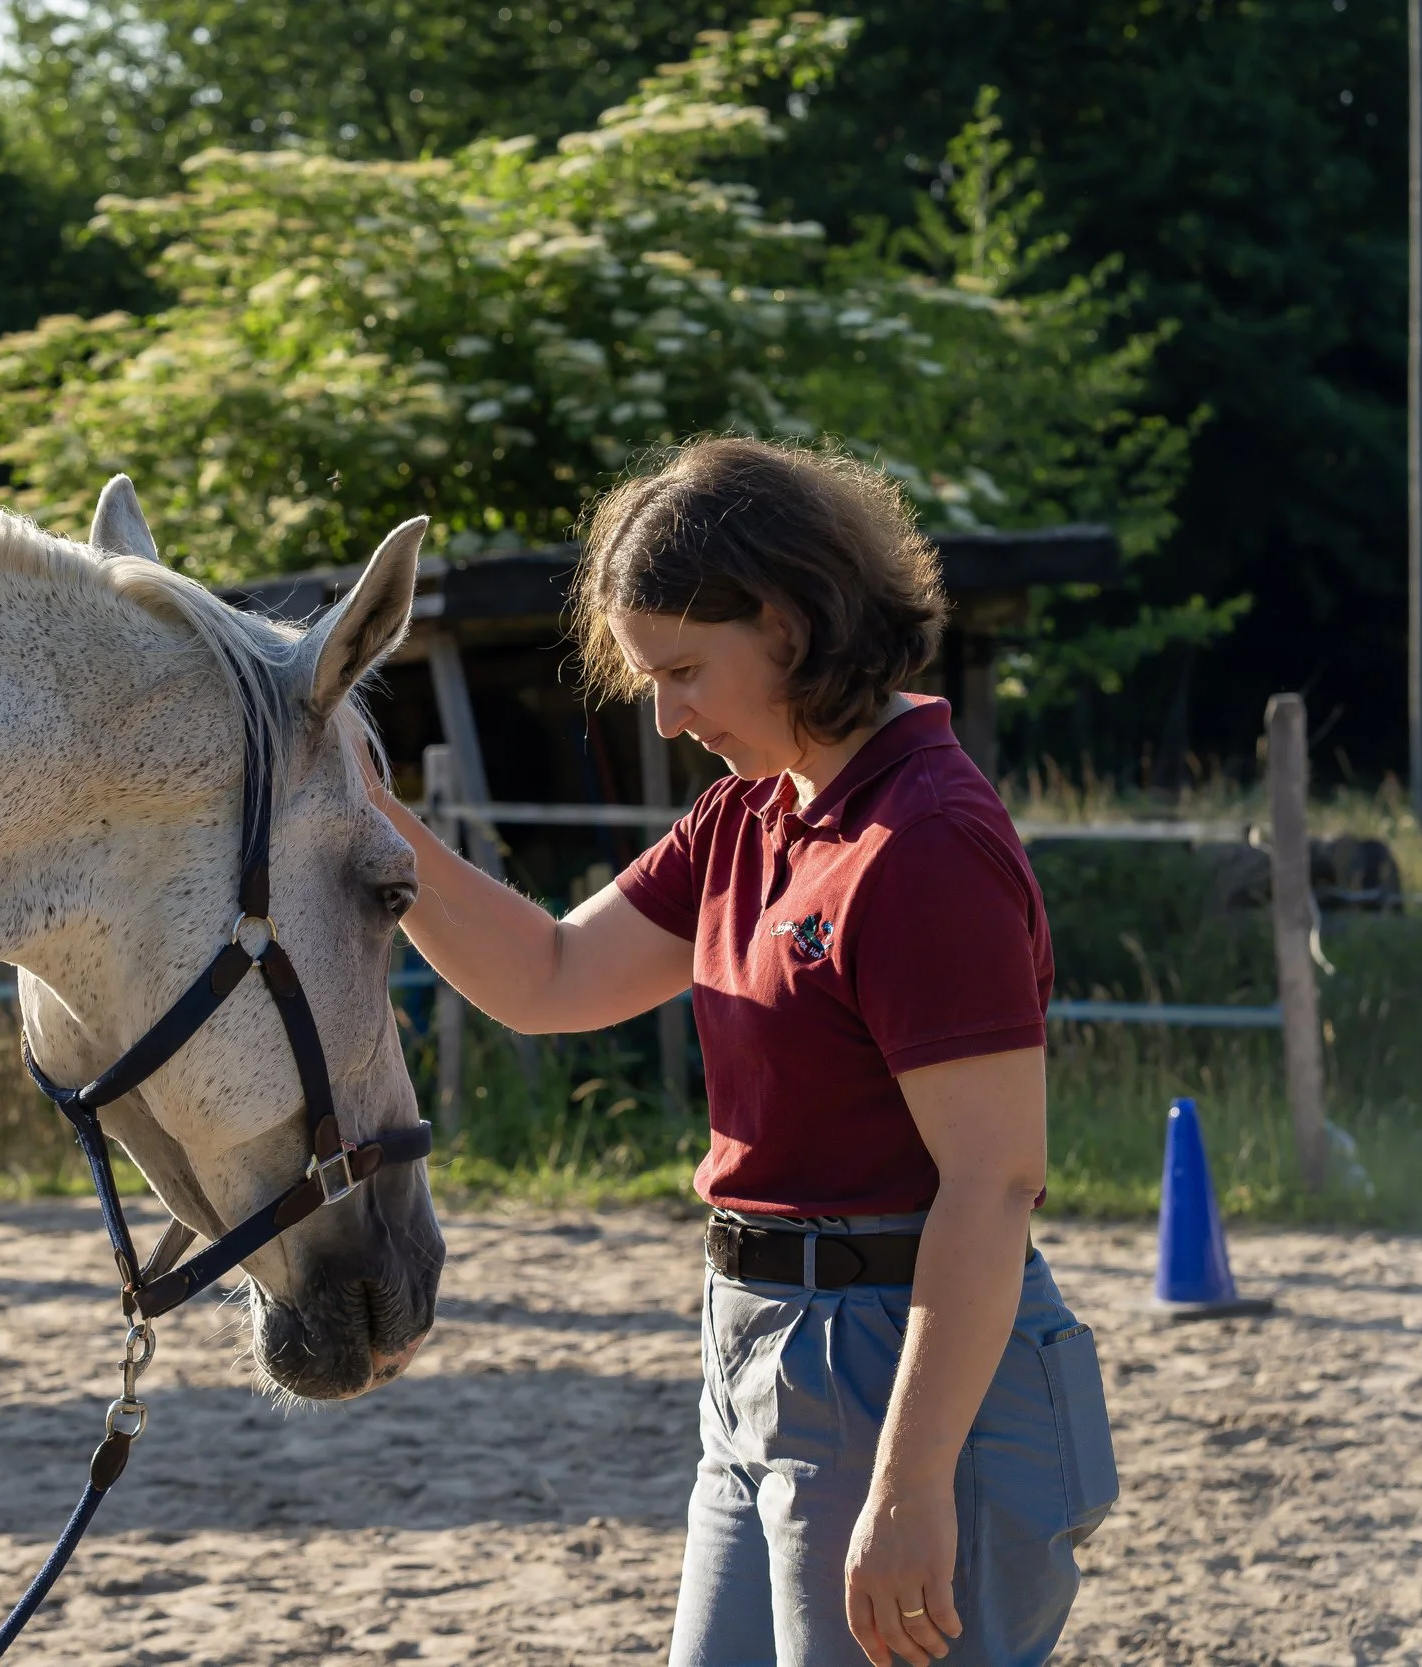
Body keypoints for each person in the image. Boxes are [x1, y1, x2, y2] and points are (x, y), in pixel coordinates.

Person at [358, 438, 1118, 1667]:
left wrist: (911, 1482)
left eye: (684, 670)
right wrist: (366, 816)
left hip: (899, 1362)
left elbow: (992, 1184)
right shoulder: (748, 815)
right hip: (754, 1347)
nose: (665, 713)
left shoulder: (922, 842)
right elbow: (548, 977)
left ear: (787, 621)